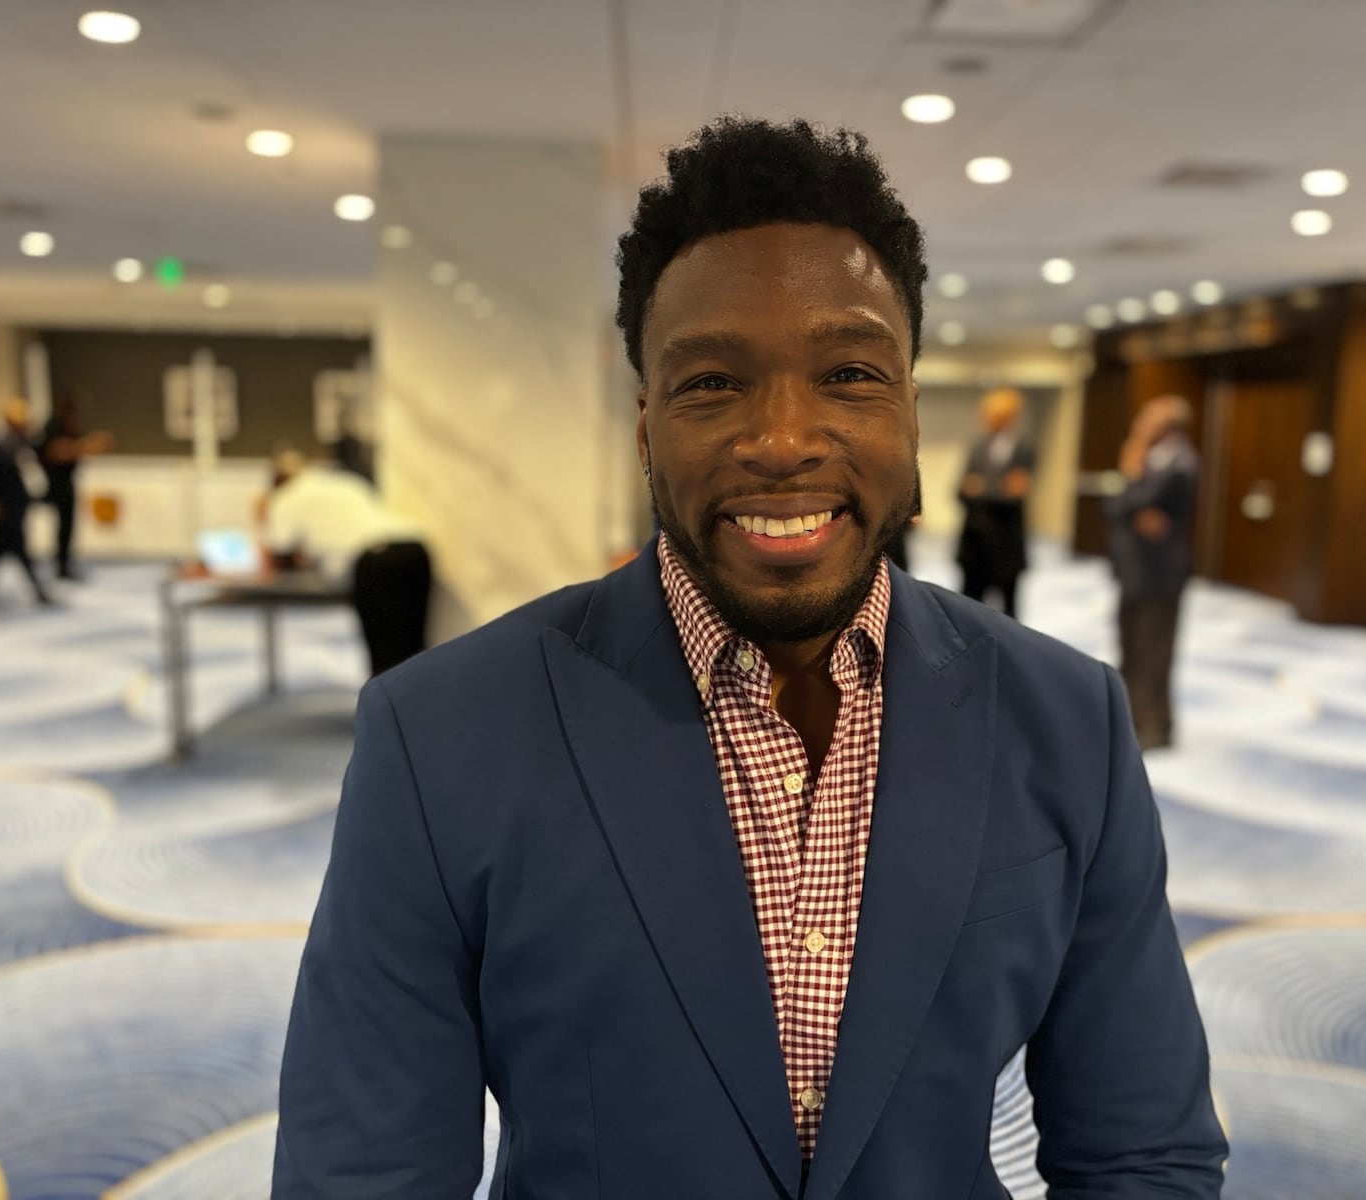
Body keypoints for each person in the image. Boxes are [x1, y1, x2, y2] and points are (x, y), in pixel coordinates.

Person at [273, 119, 1225, 1199]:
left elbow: (1144, 1156)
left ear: (911, 413)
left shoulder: (1069, 722)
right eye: (712, 383)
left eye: (849, 374)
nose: (781, 439)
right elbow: (361, 1175)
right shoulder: (438, 736)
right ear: (644, 427)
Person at [262, 449, 432, 676]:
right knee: (415, 652)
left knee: (384, 660)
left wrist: (262, 515)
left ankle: (391, 712)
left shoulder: (287, 497)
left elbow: (278, 550)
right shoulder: (345, 482)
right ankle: (422, 710)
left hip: (375, 561)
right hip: (414, 549)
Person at [1103, 396, 1201, 751]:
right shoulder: (1154, 460)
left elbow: (1132, 503)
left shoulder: (1180, 463)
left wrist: (1131, 474)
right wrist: (1135, 500)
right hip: (1134, 570)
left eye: (1148, 419)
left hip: (1159, 575)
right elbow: (1118, 508)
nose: (1140, 425)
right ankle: (1131, 722)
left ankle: (1156, 727)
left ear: (1168, 425)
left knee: (1154, 654)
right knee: (1130, 649)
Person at [956, 387, 1034, 617]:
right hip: (974, 544)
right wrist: (996, 488)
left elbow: (1014, 494)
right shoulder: (977, 446)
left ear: (1010, 416)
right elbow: (959, 491)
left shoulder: (1025, 450)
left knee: (1008, 615)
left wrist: (981, 488)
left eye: (993, 414)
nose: (987, 419)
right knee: (967, 614)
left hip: (1006, 547)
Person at [0, 399, 51, 608]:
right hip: (2, 505)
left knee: (2, 549)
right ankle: (37, 591)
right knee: (15, 548)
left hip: (17, 504)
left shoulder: (20, 442)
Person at [36, 389, 114, 580]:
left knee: (67, 527)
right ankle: (61, 566)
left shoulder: (67, 426)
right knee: (63, 527)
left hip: (66, 482)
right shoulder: (54, 425)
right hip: (57, 484)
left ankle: (64, 563)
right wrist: (85, 446)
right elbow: (55, 452)